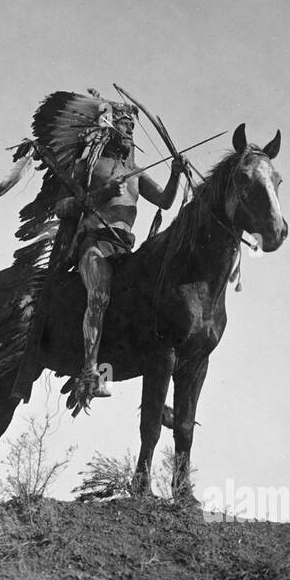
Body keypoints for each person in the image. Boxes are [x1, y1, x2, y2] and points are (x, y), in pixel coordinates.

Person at [58, 112, 185, 414]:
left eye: (131, 130)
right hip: (93, 245)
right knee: (99, 294)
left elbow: (166, 201)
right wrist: (101, 193)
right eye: (123, 128)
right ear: (107, 132)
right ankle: (91, 371)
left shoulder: (137, 173)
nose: (128, 135)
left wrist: (176, 173)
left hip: (124, 250)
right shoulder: (87, 167)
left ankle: (155, 382)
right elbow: (63, 207)